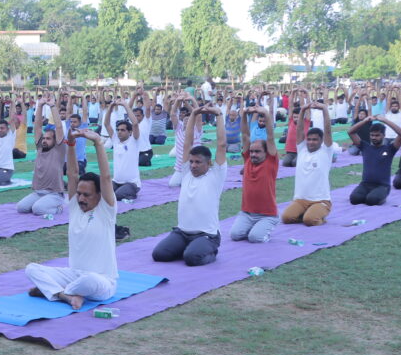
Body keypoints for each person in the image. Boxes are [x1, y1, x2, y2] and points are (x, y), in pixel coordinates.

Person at [25, 126, 117, 309]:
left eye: (87, 195)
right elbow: (72, 173)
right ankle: (65, 295)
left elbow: (105, 178)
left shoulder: (105, 211)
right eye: (79, 194)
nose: (81, 198)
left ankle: (53, 291)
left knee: (89, 280)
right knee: (31, 268)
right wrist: (71, 143)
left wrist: (98, 142)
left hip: (102, 281)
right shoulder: (75, 206)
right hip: (73, 274)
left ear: (99, 195)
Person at [152, 105, 227, 266]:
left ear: (209, 163)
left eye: (198, 162)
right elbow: (188, 142)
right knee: (159, 254)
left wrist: (219, 115)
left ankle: (209, 249)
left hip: (206, 234)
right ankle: (189, 247)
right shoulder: (186, 172)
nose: (193, 165)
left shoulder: (216, 174)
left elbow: (221, 144)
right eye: (191, 161)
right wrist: (193, 114)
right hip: (182, 232)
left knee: (192, 259)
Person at [229, 103, 279, 243]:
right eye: (251, 151)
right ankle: (254, 227)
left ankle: (266, 227)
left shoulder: (271, 162)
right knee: (235, 235)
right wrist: (244, 114)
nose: (253, 154)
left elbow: (270, 136)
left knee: (254, 238)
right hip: (247, 213)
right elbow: (245, 135)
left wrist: (266, 113)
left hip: (267, 215)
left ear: (266, 153)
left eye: (257, 152)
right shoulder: (248, 161)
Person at [282, 101, 335, 226]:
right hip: (301, 200)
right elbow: (299, 129)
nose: (311, 142)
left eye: (315, 139)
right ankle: (307, 212)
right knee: (286, 218)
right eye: (309, 139)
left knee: (310, 221)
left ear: (321, 140)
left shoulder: (326, 151)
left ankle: (316, 214)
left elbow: (327, 129)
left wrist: (324, 109)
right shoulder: (302, 150)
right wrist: (303, 110)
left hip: (320, 200)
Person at [17, 97, 66, 215]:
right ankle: (42, 202)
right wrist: (39, 106)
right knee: (21, 208)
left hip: (54, 194)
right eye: (43, 138)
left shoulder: (58, 150)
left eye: (48, 139)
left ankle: (58, 208)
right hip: (38, 192)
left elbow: (59, 127)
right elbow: (37, 127)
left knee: (38, 209)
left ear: (55, 141)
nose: (44, 140)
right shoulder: (40, 148)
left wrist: (53, 106)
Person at [348, 110, 401, 206]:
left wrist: (385, 120)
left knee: (371, 200)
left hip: (382, 186)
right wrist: (365, 121)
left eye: (377, 135)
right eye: (372, 135)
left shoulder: (390, 149)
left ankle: (382, 197)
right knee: (354, 199)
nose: (374, 137)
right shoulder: (365, 146)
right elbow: (350, 132)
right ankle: (370, 195)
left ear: (383, 135)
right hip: (365, 184)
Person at [104, 99, 141, 201]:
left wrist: (125, 105)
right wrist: (110, 107)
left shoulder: (134, 140)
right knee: (103, 194)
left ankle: (131, 195)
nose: (119, 132)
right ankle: (123, 192)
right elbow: (106, 124)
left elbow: (135, 124)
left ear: (130, 132)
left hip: (132, 183)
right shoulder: (115, 140)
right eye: (118, 130)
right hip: (116, 181)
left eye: (123, 130)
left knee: (115, 196)